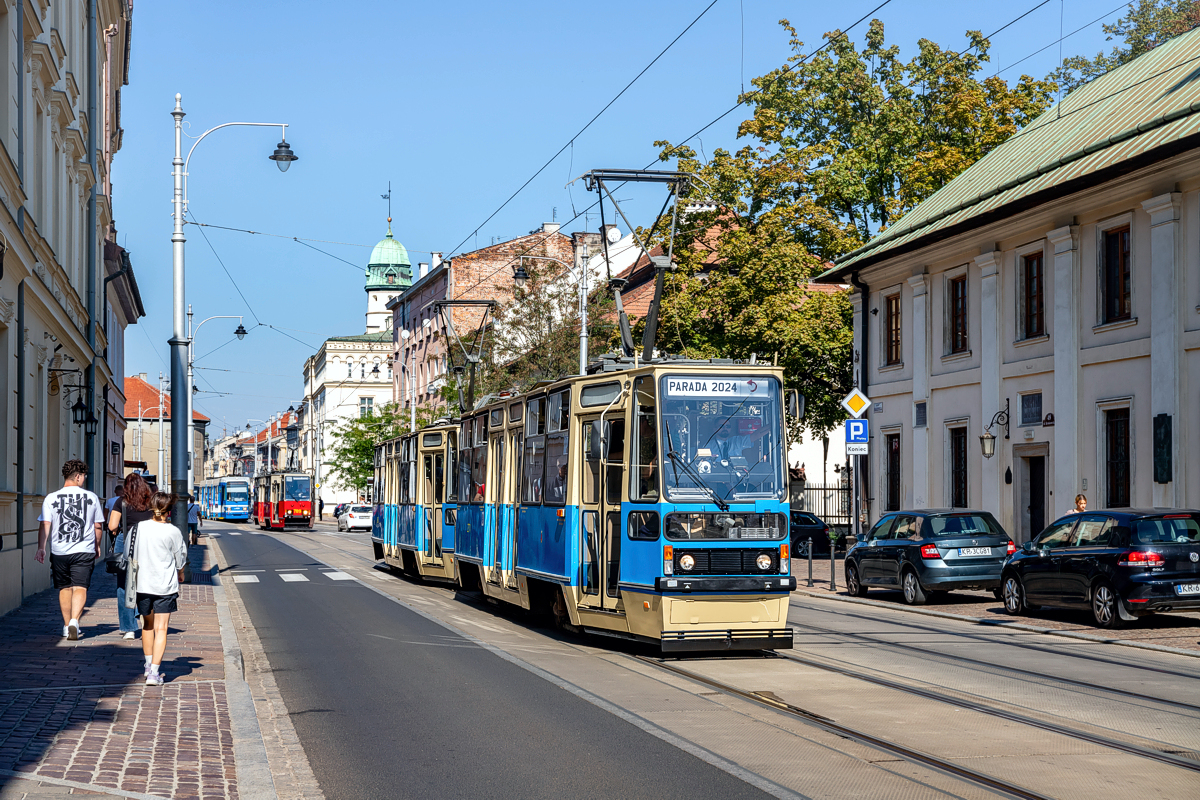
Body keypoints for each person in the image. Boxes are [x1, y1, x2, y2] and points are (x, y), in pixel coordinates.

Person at [35, 459, 105, 640]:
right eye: (84, 476)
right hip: (84, 549)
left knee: (64, 588)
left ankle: (67, 626)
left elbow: (45, 525)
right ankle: (75, 620)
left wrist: (41, 548)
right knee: (80, 587)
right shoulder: (91, 497)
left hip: (59, 551)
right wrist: (97, 545)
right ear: (78, 476)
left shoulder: (51, 498)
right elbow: (98, 526)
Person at [132, 492, 188, 686]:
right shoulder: (173, 531)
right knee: (161, 628)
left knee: (147, 625)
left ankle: (148, 665)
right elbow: (180, 557)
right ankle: (154, 673)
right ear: (169, 511)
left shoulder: (138, 528)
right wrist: (180, 572)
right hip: (164, 584)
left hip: (142, 584)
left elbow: (128, 554)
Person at [108, 473, 154, 640]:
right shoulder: (151, 502)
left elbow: (112, 525)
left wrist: (117, 530)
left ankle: (129, 628)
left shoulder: (122, 502)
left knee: (124, 586)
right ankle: (148, 624)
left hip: (127, 541)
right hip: (147, 543)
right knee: (147, 584)